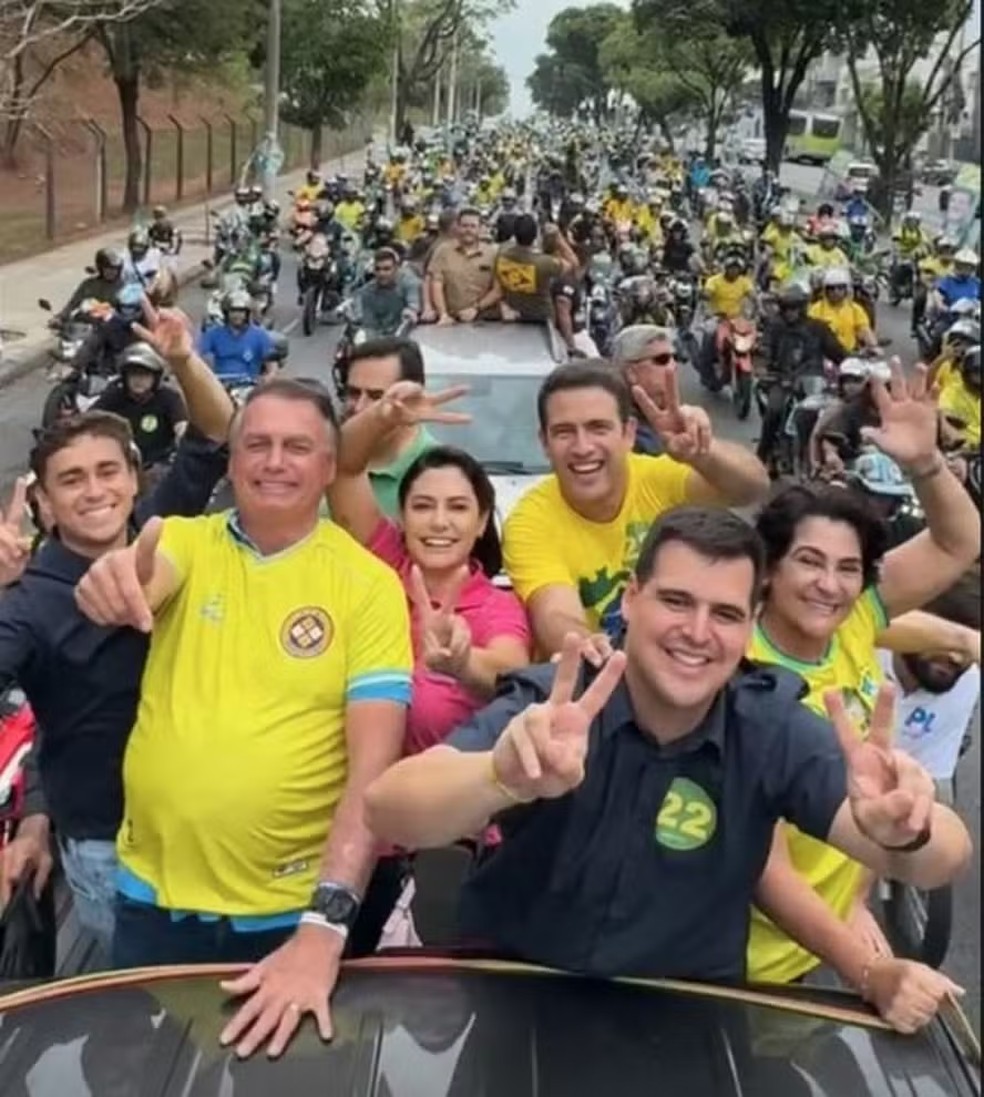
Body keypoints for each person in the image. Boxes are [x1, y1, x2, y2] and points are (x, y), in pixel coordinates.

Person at [364, 508, 969, 1033]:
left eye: (726, 614)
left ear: (751, 621)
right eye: (677, 601)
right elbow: (390, 807)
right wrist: (498, 777)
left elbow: (943, 856)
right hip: (515, 999)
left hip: (687, 1017)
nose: (697, 633)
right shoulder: (558, 705)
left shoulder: (769, 725)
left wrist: (904, 829)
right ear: (631, 597)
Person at [73, 376, 414, 1059]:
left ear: (329, 466)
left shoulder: (369, 584)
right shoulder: (187, 542)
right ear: (231, 461)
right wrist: (111, 582)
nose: (274, 461)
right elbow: (142, 574)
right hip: (149, 904)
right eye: (255, 443)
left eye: (297, 446)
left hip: (287, 919)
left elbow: (371, 775)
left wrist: (324, 927)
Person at [0, 306, 233, 950]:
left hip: (211, 827)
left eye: (108, 472)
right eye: (70, 481)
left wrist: (183, 360)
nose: (94, 491)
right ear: (43, 503)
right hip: (108, 845)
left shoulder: (163, 531)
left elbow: (215, 433)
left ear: (135, 481)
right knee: (133, 1009)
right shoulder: (27, 601)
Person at [745, 369, 982, 990]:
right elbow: (763, 869)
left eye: (849, 568)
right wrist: (866, 964)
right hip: (743, 958)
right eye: (809, 561)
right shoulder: (736, 665)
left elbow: (957, 543)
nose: (830, 584)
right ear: (767, 570)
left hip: (823, 934)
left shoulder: (855, 618)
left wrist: (928, 464)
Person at [502, 362, 769, 655]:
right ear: (545, 443)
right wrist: (585, 644)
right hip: (595, 678)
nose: (583, 447)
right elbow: (553, 613)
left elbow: (751, 487)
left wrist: (703, 454)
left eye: (598, 428)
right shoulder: (529, 521)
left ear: (628, 434)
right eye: (564, 432)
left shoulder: (656, 478)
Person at [326, 381, 531, 754]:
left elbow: (510, 673)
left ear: (482, 520)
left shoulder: (496, 607)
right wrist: (382, 417)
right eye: (422, 506)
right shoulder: (381, 560)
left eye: (457, 507)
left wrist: (463, 663)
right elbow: (342, 467)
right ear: (401, 518)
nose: (439, 522)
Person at [332, 337, 437, 517]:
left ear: (411, 398)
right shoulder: (323, 458)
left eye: (376, 396)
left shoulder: (438, 472)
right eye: (353, 393)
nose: (359, 407)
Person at [92, 342, 188, 469]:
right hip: (121, 463)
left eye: (144, 374)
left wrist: (183, 441)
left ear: (155, 378)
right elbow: (89, 419)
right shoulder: (115, 395)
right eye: (133, 374)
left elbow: (182, 427)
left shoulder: (169, 397)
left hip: (160, 465)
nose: (138, 380)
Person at [610, 326, 679, 457]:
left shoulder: (669, 414)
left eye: (674, 357)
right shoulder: (624, 433)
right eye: (662, 359)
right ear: (631, 372)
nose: (674, 366)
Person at [495, 214, 577, 323]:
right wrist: (558, 238)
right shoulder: (545, 263)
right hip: (541, 318)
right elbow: (573, 264)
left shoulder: (502, 253)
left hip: (513, 314)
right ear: (536, 235)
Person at [426, 208, 501, 325]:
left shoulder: (492, 254)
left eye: (473, 226)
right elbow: (436, 283)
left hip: (484, 321)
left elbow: (497, 290)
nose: (468, 230)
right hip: (450, 321)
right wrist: (443, 314)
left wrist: (476, 309)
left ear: (480, 229)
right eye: (464, 226)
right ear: (457, 227)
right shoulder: (443, 251)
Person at [197, 289, 278, 383]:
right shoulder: (213, 334)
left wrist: (268, 378)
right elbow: (200, 359)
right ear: (226, 313)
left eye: (241, 311)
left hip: (250, 387)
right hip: (220, 386)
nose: (237, 315)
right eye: (233, 311)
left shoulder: (260, 335)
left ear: (247, 313)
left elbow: (272, 367)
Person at [351, 247, 421, 337]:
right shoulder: (367, 291)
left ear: (396, 269)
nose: (382, 273)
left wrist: (410, 312)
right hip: (381, 338)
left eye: (386, 269)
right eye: (378, 269)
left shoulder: (409, 282)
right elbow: (369, 325)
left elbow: (414, 306)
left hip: (409, 334)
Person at [808, 268, 877, 353]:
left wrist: (873, 346)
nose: (836, 291)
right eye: (831, 288)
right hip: (823, 357)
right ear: (825, 290)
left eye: (840, 288)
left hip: (849, 357)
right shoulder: (816, 310)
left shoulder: (855, 309)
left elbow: (864, 330)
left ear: (846, 290)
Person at [54, 248, 125, 323]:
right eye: (108, 268)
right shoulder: (90, 284)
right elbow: (73, 302)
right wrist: (61, 317)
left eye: (115, 269)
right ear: (100, 268)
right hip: (90, 324)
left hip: (114, 327)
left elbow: (129, 311)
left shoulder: (124, 287)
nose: (112, 272)